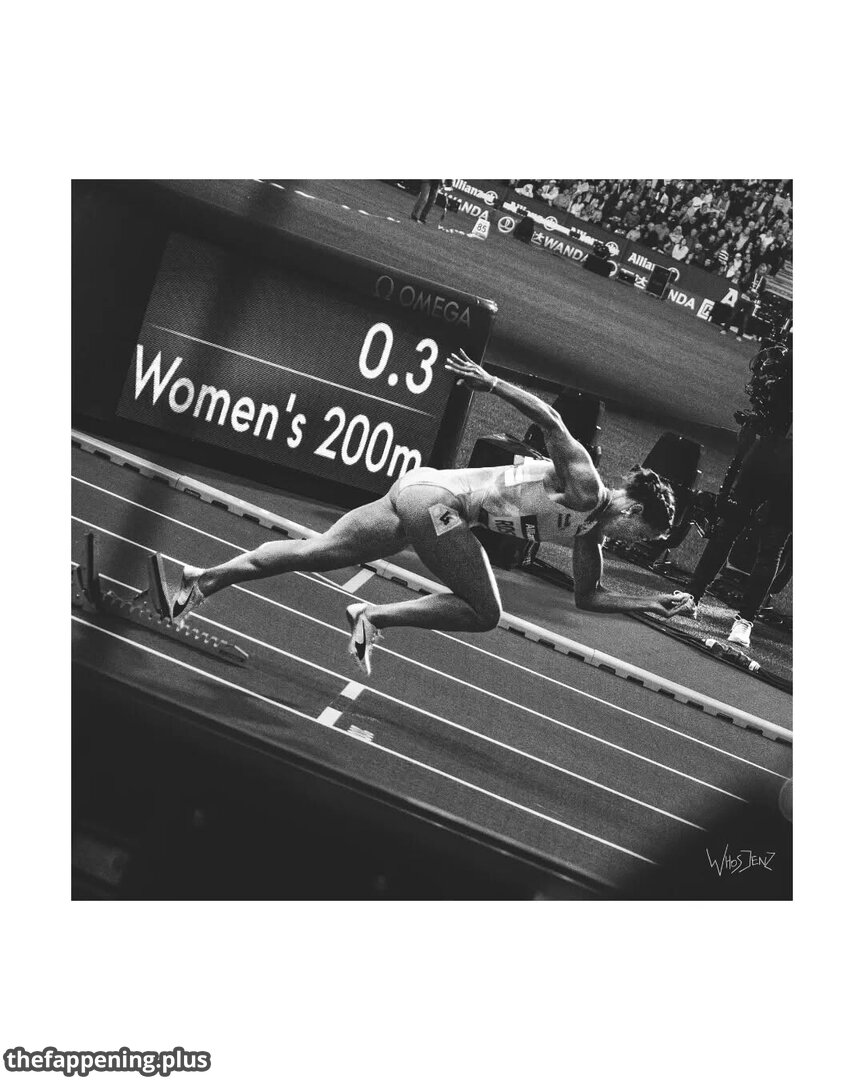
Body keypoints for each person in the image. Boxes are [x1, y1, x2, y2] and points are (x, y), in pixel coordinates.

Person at [165, 351, 691, 676]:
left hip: (419, 491)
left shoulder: (589, 537)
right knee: (485, 612)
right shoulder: (588, 489)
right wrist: (492, 383)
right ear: (634, 508)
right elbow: (553, 420)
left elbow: (587, 596)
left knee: (317, 552)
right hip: (440, 504)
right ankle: (372, 617)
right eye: (641, 532)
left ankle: (200, 580)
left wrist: (651, 603)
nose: (633, 542)